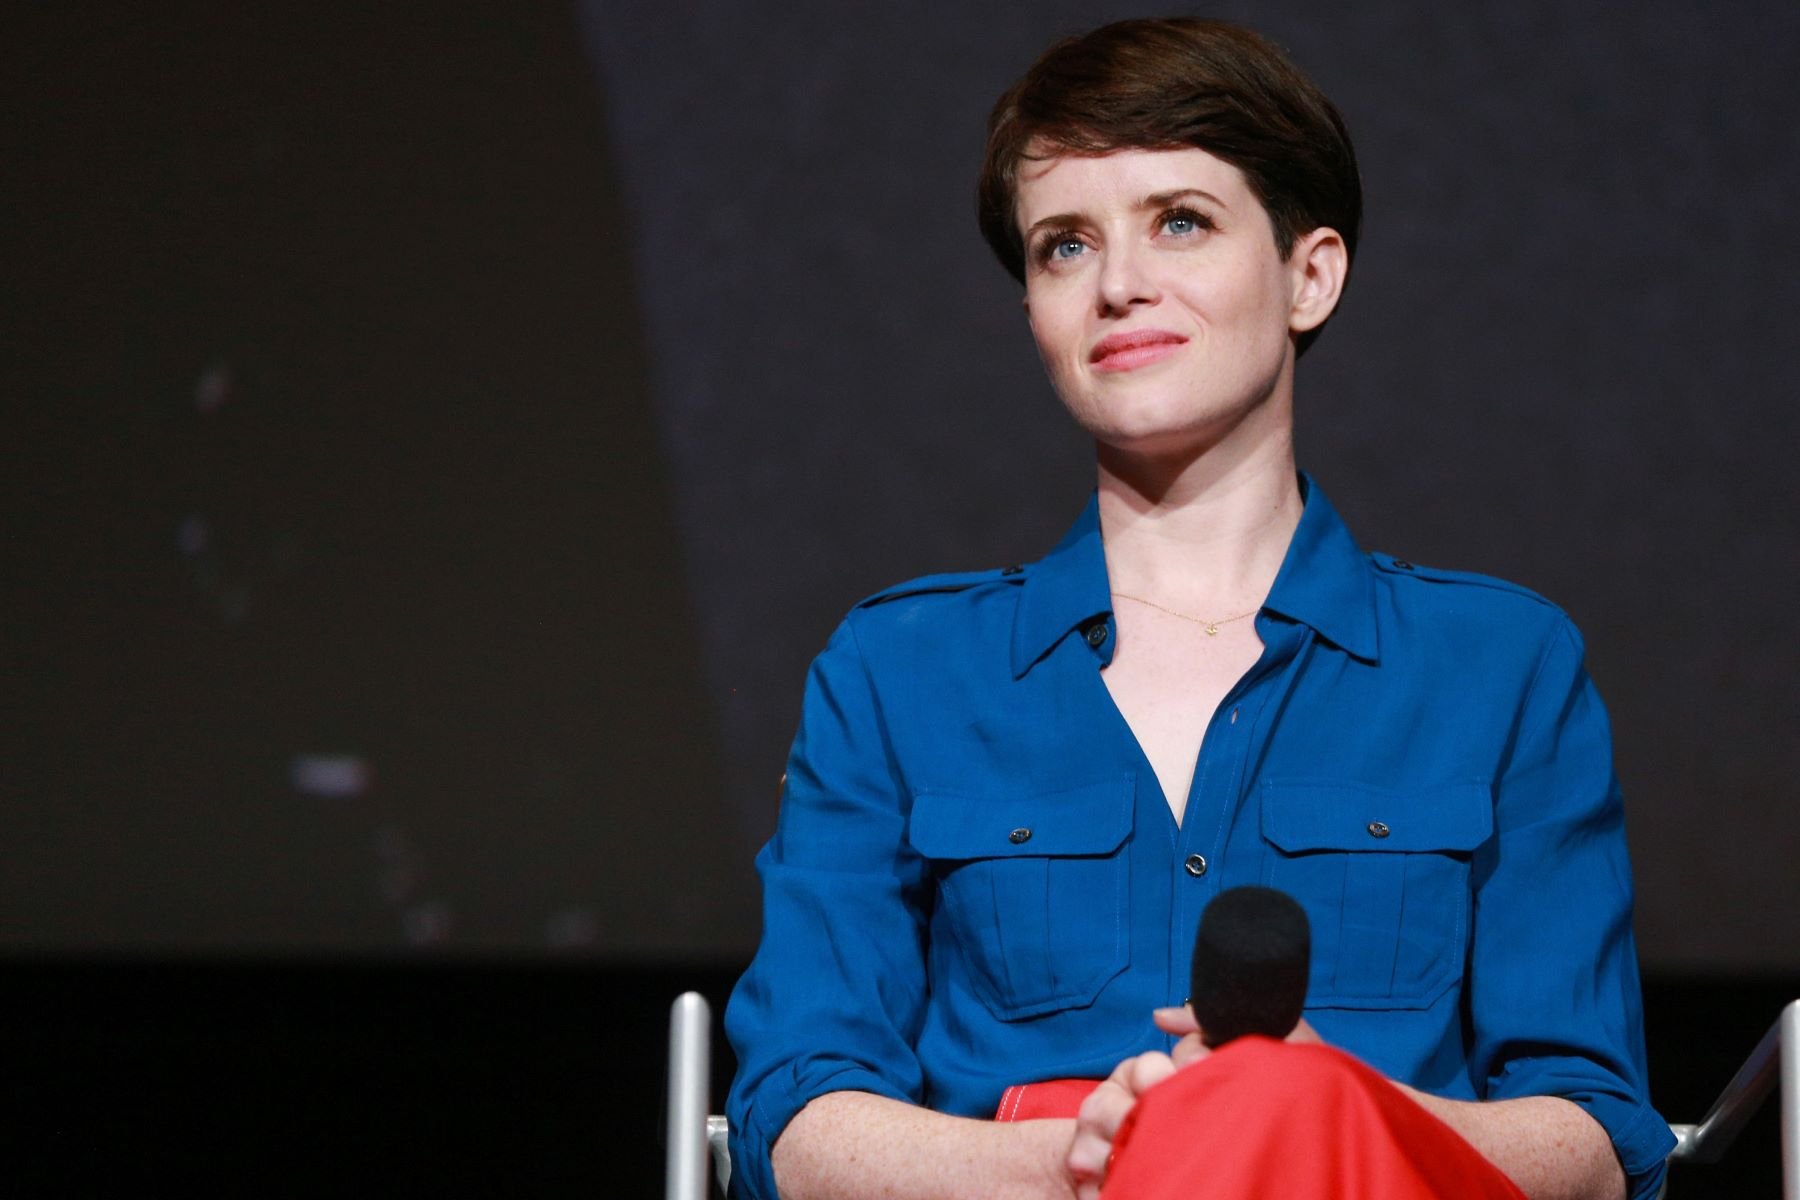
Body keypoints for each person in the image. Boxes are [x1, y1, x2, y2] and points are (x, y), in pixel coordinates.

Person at [723, 17, 1673, 1200]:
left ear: (1308, 274)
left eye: (1180, 221)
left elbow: (1595, 1139)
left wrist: (1332, 1113)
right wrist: (1095, 1157)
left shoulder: (1501, 664)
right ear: (1033, 312)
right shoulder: (896, 673)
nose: (1120, 284)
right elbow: (797, 1129)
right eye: (1064, 246)